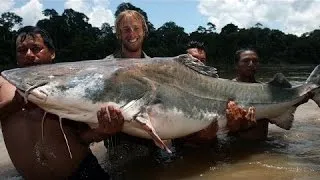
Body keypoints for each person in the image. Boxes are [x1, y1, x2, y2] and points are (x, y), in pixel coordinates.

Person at [0, 26, 123, 179]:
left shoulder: (69, 83)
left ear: (52, 53)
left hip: (84, 173)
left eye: (36, 48)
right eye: (22, 50)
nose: (29, 54)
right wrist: (16, 103)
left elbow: (82, 137)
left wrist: (103, 131)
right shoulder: (3, 83)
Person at [229, 48, 269, 140]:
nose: (251, 64)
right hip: (236, 147)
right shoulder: (226, 89)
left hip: (263, 146)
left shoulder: (266, 90)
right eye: (246, 61)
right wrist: (243, 125)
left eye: (255, 61)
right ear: (236, 65)